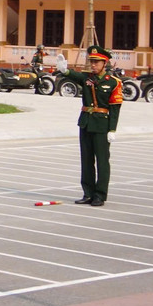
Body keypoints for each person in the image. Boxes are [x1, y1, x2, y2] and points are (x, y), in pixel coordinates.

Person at [54, 46, 122, 206]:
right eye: (91, 62)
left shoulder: (113, 83)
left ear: (105, 63)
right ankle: (88, 193)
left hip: (102, 125)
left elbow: (115, 109)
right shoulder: (87, 78)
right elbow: (75, 75)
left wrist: (112, 129)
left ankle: (100, 194)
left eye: (96, 62)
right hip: (86, 123)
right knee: (86, 160)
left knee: (102, 161)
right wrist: (65, 71)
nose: (93, 65)